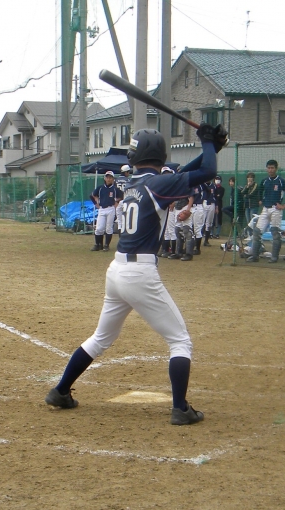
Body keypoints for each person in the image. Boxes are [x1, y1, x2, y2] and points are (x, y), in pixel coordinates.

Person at [45, 124, 227, 425]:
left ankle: (60, 391)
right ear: (160, 155)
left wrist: (212, 147)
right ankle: (180, 409)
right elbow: (206, 172)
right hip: (139, 273)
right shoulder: (157, 184)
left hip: (117, 270)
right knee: (180, 340)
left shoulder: (134, 183)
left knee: (100, 338)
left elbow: (188, 172)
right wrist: (207, 142)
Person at [248, 160, 285, 263]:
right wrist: (260, 200)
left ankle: (274, 257)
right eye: (268, 168)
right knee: (257, 231)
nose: (270, 170)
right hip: (265, 208)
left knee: (275, 232)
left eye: (272, 168)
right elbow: (260, 191)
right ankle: (255, 256)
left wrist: (284, 205)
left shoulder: (281, 181)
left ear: (276, 169)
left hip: (276, 209)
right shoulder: (265, 181)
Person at [90, 170, 123, 252]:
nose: (109, 179)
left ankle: (106, 245)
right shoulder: (100, 188)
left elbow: (121, 196)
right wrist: (96, 204)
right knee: (99, 228)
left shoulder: (115, 189)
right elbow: (92, 195)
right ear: (105, 178)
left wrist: (116, 203)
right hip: (102, 209)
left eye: (110, 178)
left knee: (109, 228)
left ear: (113, 179)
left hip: (111, 208)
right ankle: (98, 244)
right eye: (107, 177)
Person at [169, 195, 195, 261]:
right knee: (178, 231)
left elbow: (191, 197)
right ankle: (178, 253)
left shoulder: (186, 188)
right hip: (177, 208)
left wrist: (188, 209)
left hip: (185, 206)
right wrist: (173, 204)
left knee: (187, 231)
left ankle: (189, 254)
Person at [115, 165, 132, 234]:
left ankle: (120, 237)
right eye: (128, 172)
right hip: (126, 201)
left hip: (117, 202)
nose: (129, 174)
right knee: (127, 220)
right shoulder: (129, 180)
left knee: (120, 222)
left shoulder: (116, 180)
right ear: (126, 172)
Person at [202, 178, 216, 246]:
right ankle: (196, 240)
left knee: (209, 223)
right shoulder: (202, 185)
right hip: (203, 203)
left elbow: (216, 196)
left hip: (211, 203)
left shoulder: (213, 185)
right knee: (201, 222)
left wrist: (217, 206)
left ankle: (206, 241)